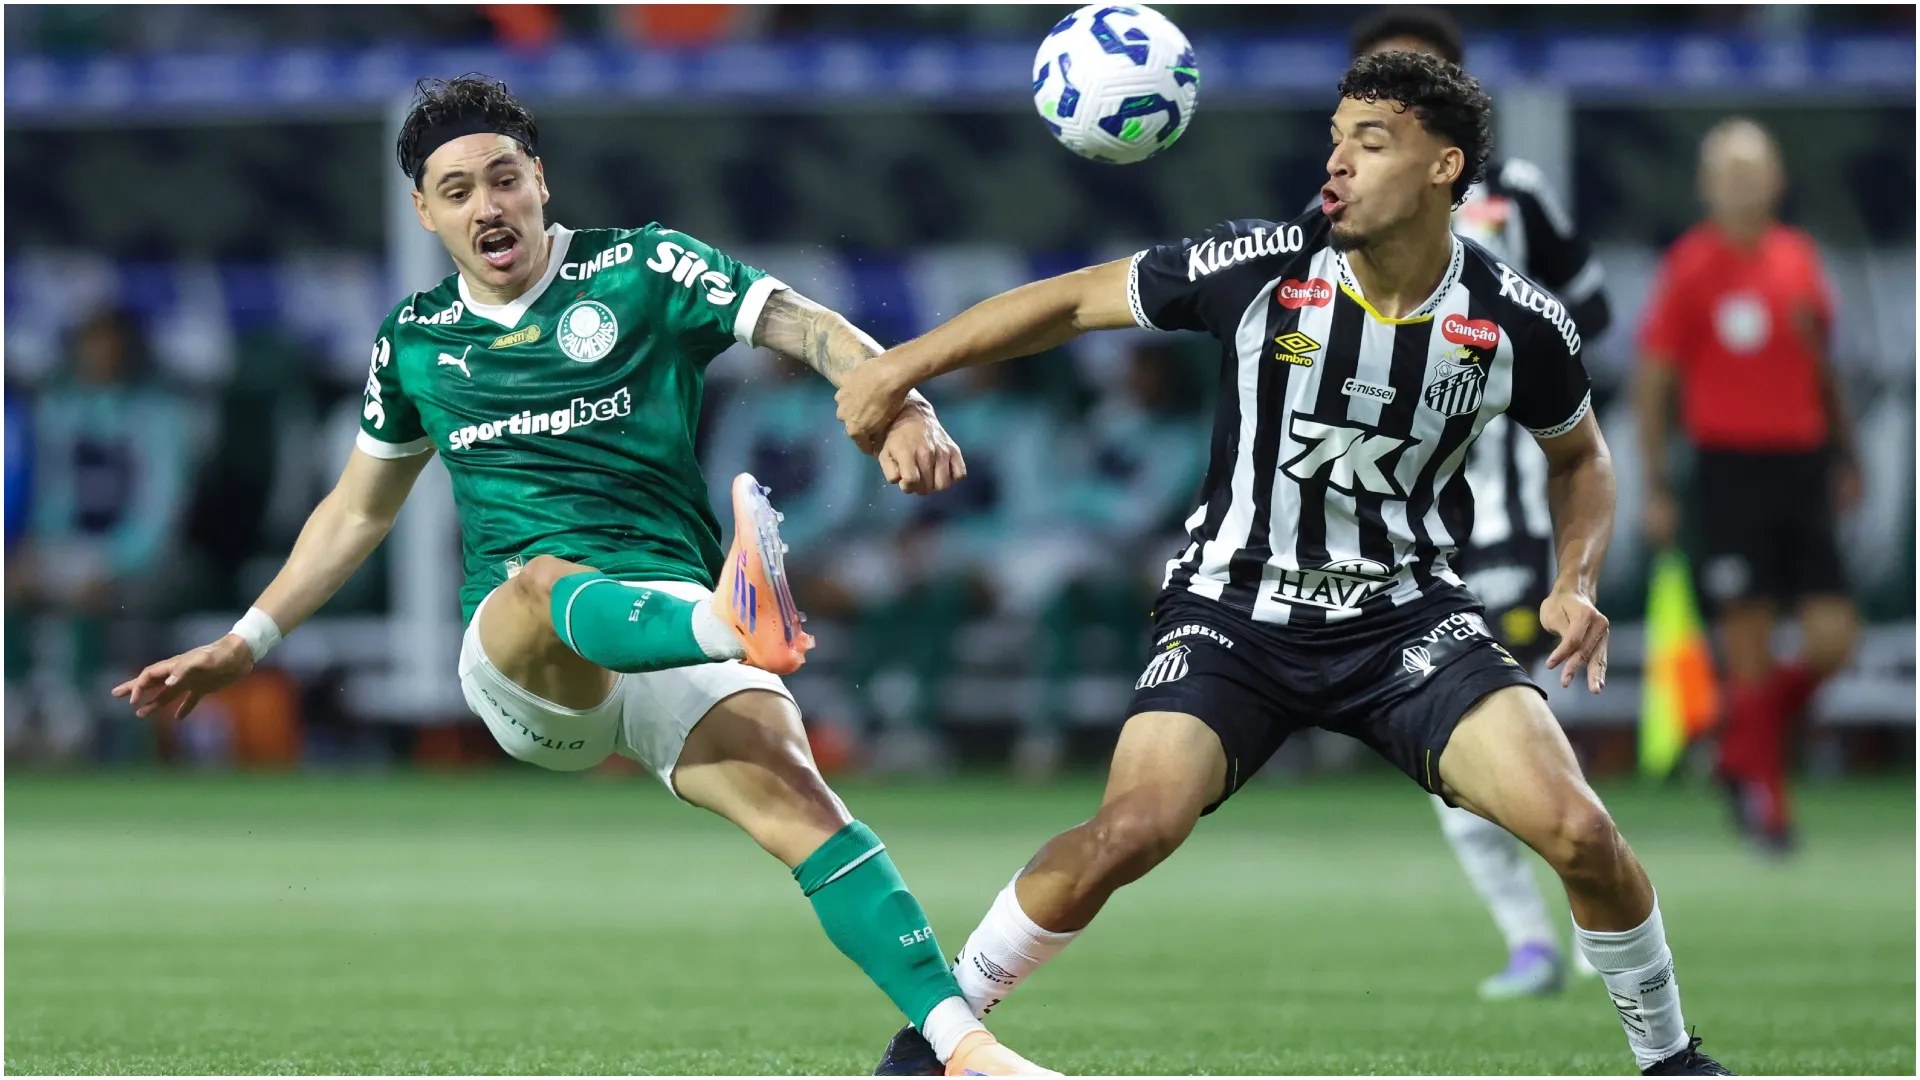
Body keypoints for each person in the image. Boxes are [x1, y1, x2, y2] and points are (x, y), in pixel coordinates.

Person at [111, 74, 1051, 1078]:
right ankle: (732, 626)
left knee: (806, 806)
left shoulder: (645, 268)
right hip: (530, 666)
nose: (489, 206)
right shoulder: (416, 343)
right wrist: (244, 642)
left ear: (540, 181)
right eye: (459, 190)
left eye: (504, 179)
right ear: (426, 213)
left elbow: (807, 326)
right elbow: (355, 510)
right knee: (535, 578)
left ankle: (964, 1049)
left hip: (662, 618)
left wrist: (900, 404)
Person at [839, 51, 1729, 1077]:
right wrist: (898, 368)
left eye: (1371, 141)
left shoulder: (1516, 323)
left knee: (1579, 831)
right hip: (1233, 615)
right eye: (1336, 138)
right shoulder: (1261, 267)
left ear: (1444, 168)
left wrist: (1574, 581)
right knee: (1132, 829)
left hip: (1406, 621)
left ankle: (1670, 1061)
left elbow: (1581, 457)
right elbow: (1076, 302)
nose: (1337, 161)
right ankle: (933, 1037)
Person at [1345, 5, 1613, 1000]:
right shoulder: (1341, 207)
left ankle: (1588, 913)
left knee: (1505, 723)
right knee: (1439, 744)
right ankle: (1532, 940)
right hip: (1403, 515)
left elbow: (1591, 315)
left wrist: (1506, 347)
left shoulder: (1518, 197)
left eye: (1418, 75)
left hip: (1512, 518)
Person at [1634, 117, 1859, 856]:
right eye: (1727, 173)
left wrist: (1847, 454)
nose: (1740, 185)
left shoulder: (1799, 260)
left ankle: (1737, 749)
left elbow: (1823, 367)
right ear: (1706, 185)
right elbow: (1654, 382)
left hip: (1802, 465)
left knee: (1833, 641)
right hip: (1728, 471)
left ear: (1776, 181)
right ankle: (1771, 808)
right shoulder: (1689, 268)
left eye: (1752, 171)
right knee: (1750, 648)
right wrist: (1658, 483)